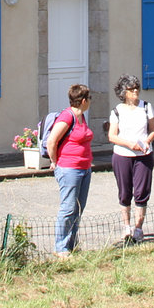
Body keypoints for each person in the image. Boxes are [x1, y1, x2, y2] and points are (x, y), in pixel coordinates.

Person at [106, 74, 154, 243]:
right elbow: (112, 136)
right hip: (122, 155)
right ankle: (126, 227)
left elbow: (153, 129)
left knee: (142, 192)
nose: (135, 91)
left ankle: (138, 228)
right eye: (131, 89)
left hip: (144, 156)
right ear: (123, 92)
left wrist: (146, 141)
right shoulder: (117, 111)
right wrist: (130, 144)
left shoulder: (147, 107)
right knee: (125, 192)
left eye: (137, 88)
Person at [48, 83, 94, 255]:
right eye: (89, 99)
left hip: (84, 168)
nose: (89, 102)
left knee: (78, 208)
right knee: (68, 208)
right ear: (83, 100)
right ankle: (61, 248)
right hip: (69, 169)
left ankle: (71, 245)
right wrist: (55, 161)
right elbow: (52, 141)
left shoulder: (81, 116)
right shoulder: (67, 117)